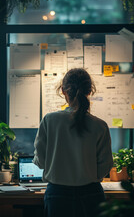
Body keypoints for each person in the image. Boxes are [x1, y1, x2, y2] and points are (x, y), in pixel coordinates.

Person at [33, 68, 113, 217]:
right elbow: (105, 165)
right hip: (91, 194)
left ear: (63, 90)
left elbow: (40, 161)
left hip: (57, 194)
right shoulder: (100, 125)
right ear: (89, 91)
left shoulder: (49, 120)